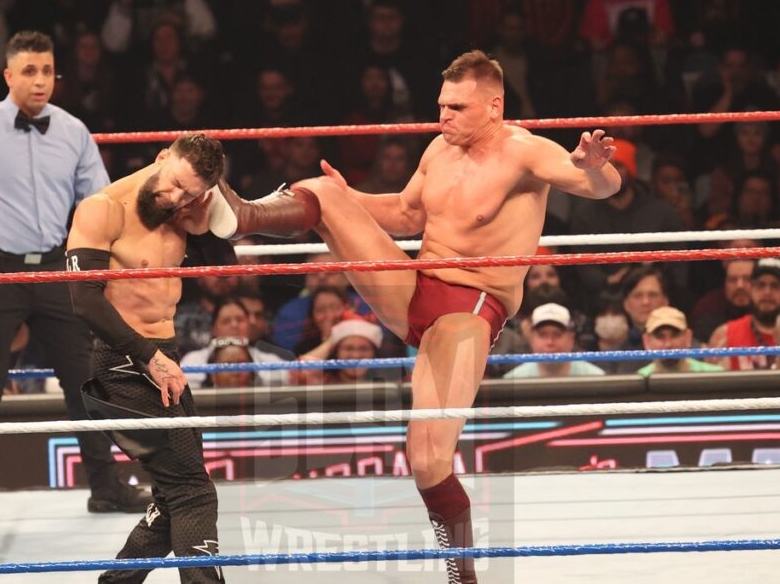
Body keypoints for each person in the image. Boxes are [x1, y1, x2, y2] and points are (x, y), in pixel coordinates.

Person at [208, 49, 621, 583]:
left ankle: (462, 575)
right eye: (440, 105)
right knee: (326, 191)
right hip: (412, 286)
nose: (443, 116)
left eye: (456, 107)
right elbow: (406, 212)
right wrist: (349, 197)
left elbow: (597, 185)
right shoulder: (440, 149)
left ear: (493, 107)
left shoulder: (524, 151)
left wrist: (596, 166)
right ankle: (242, 217)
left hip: (467, 309)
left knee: (427, 459)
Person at [0, 31, 147, 526]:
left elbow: (102, 203)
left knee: (85, 378)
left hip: (54, 266)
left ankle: (106, 489)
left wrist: (102, 261)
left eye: (47, 71)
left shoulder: (72, 132)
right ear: (8, 75)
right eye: (29, 71)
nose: (40, 80)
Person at [65, 133, 230, 583]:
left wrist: (205, 225)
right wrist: (147, 357)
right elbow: (84, 300)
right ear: (162, 157)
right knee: (194, 493)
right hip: (123, 361)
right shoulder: (103, 208)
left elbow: (225, 273)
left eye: (189, 193)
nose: (175, 197)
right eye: (175, 183)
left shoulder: (183, 212)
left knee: (173, 495)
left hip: (165, 358)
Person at [504, 303, 605, 379]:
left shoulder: (597, 379)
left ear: (571, 339)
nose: (550, 342)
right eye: (542, 334)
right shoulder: (513, 381)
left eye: (557, 334)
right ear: (532, 338)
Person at [637, 307, 723, 376]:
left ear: (688, 337)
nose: (668, 344)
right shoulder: (639, 379)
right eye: (660, 336)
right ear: (647, 341)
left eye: (675, 335)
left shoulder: (715, 375)